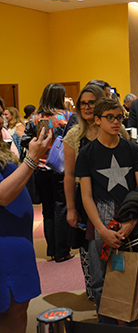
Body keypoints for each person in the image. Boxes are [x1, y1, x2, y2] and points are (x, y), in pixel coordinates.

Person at [74, 97, 138, 326]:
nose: (116, 122)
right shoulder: (87, 153)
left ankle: (136, 324)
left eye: (119, 117)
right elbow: (86, 195)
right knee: (100, 282)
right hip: (99, 218)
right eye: (110, 117)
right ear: (97, 120)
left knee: (135, 277)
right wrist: (101, 229)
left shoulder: (131, 149)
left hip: (129, 216)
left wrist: (132, 221)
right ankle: (107, 326)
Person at [62, 84, 114, 301]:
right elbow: (68, 175)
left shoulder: (115, 129)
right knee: (89, 246)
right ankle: (96, 293)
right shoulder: (74, 135)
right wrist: (71, 208)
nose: (87, 107)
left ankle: (118, 290)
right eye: (83, 103)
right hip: (85, 199)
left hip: (113, 197)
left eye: (92, 102)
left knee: (114, 243)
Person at [0, 128, 52, 333]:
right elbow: (3, 195)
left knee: (19, 310)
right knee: (9, 313)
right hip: (5, 246)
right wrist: (32, 158)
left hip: (18, 242)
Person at [21, 83, 74, 263]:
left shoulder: (34, 118)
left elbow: (24, 141)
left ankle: (51, 249)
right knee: (62, 208)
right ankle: (62, 251)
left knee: (47, 210)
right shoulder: (66, 116)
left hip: (39, 169)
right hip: (60, 168)